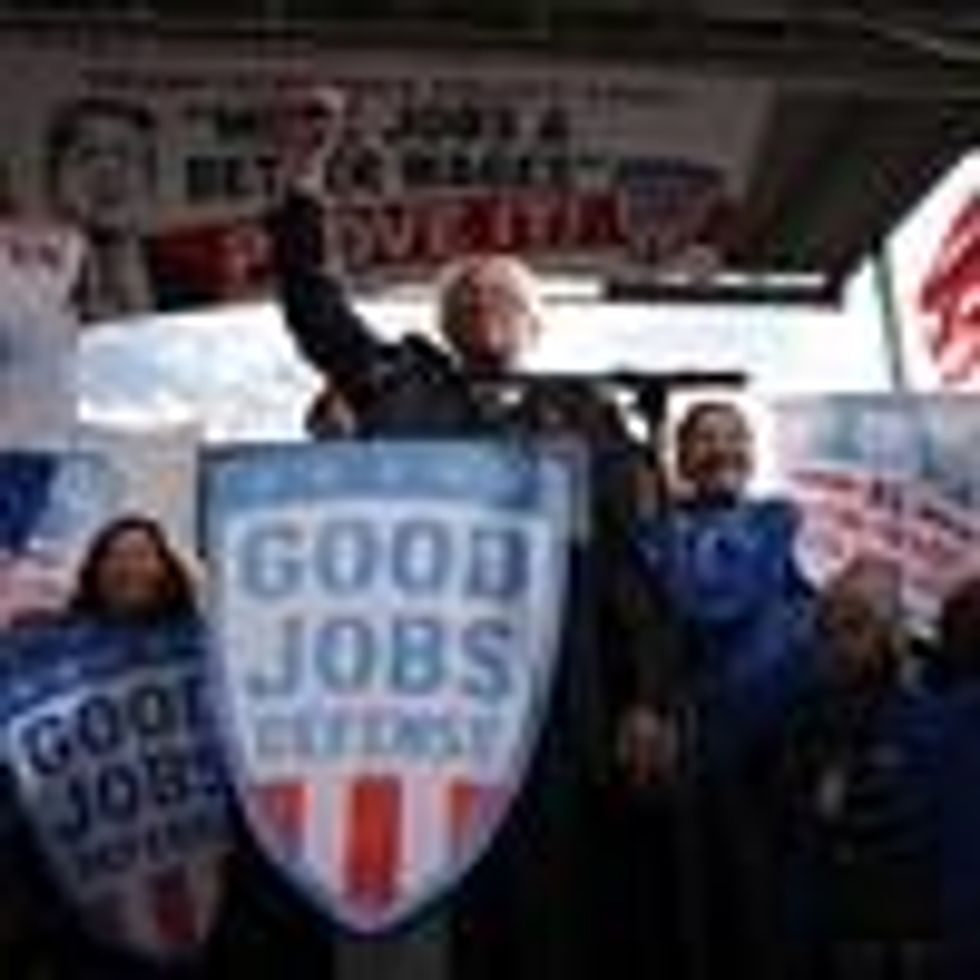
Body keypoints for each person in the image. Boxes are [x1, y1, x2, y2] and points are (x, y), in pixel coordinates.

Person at [264, 85, 675, 980]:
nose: (486, 303)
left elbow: (629, 570)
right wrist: (302, 180)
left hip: (562, 686)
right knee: (448, 904)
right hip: (426, 693)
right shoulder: (402, 385)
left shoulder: (586, 413)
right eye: (468, 293)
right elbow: (314, 309)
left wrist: (647, 695)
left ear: (534, 322)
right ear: (444, 322)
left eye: (505, 294)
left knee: (561, 904)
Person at [0, 514, 228, 979]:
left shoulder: (205, 646)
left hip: (204, 865)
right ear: (95, 571)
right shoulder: (49, 650)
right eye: (115, 555)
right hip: (82, 878)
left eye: (143, 553)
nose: (129, 565)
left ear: (166, 568)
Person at [770, 558, 942, 980]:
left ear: (891, 632)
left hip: (894, 934)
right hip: (814, 928)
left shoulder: (929, 719)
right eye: (831, 625)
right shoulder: (799, 707)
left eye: (857, 624)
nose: (839, 642)